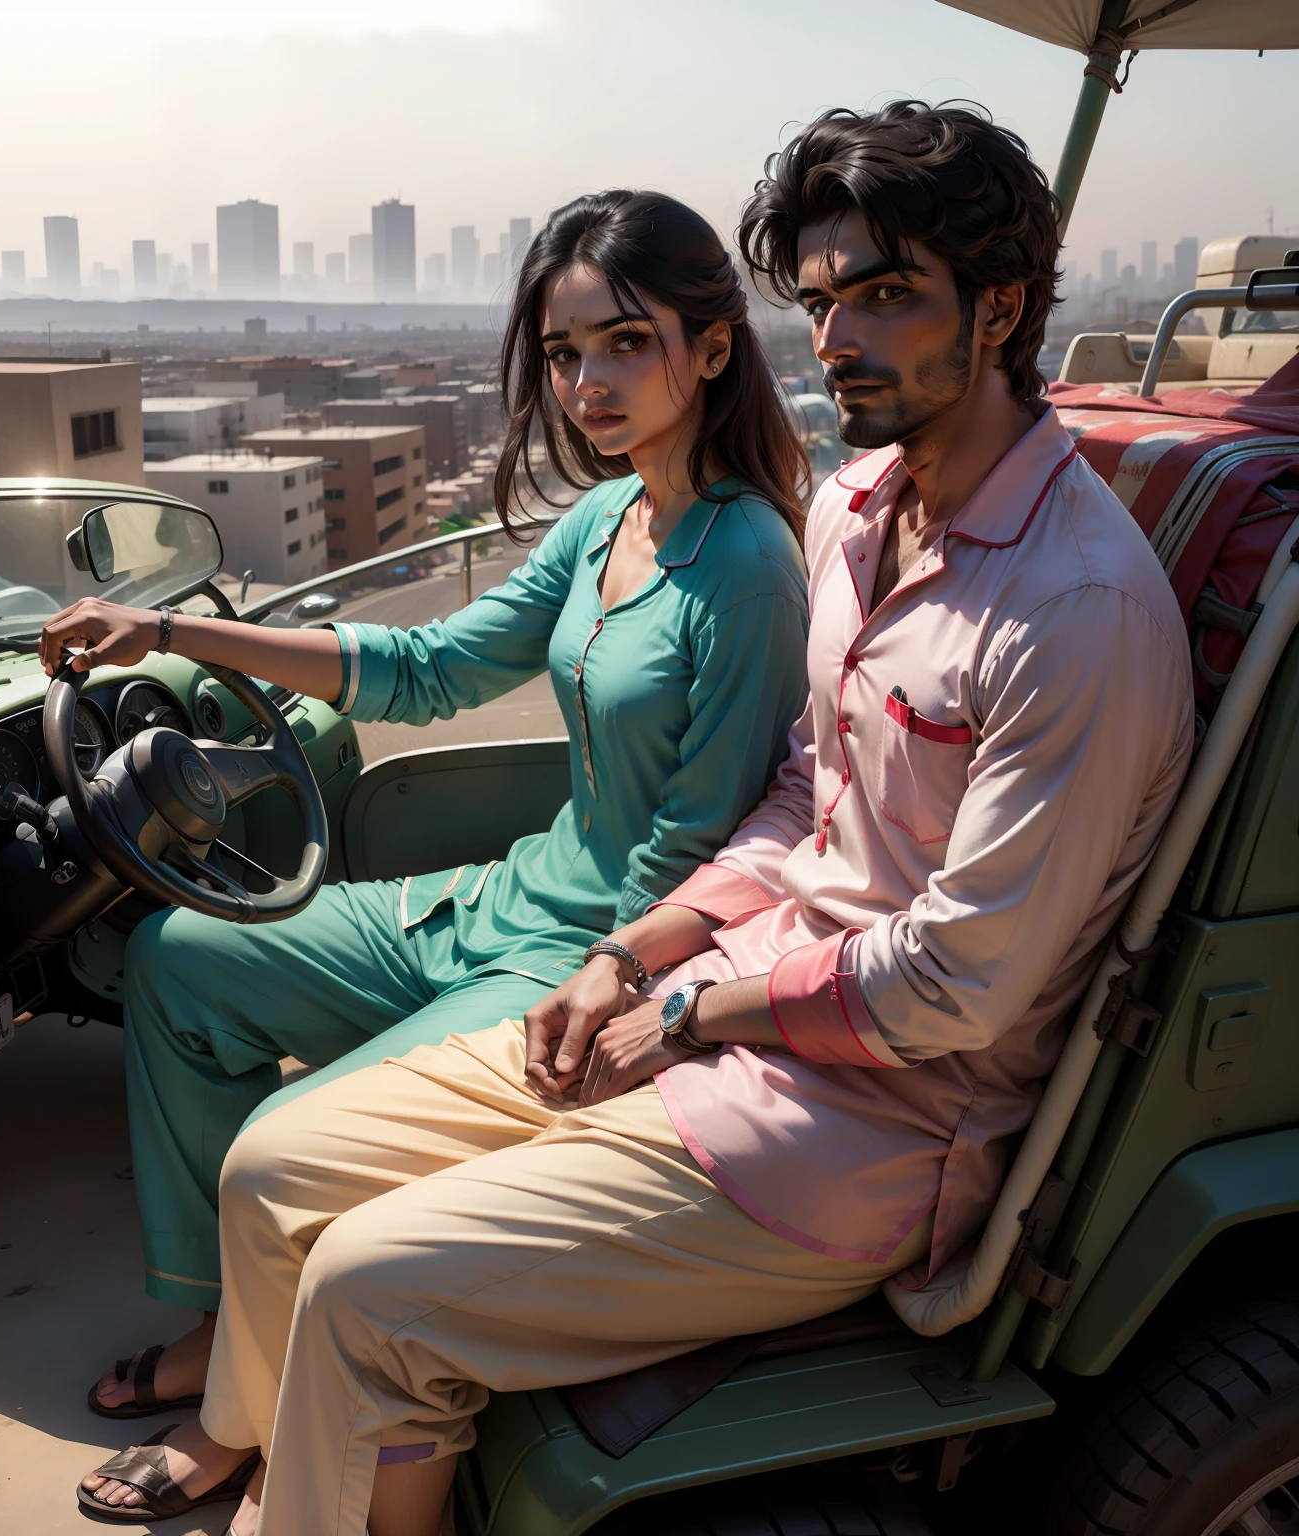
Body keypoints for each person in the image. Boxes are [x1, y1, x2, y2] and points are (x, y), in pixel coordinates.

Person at [75, 102, 1194, 1536]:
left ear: (1006, 307)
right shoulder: (859, 512)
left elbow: (959, 984)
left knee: (365, 1289)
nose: (843, 335)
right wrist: (640, 956)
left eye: (892, 294)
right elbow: (806, 793)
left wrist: (688, 1011)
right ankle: (248, 1429)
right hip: (711, 1006)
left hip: (868, 1128)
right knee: (279, 1165)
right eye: (829, 297)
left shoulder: (1071, 610)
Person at [42, 189, 812, 1435]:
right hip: (499, 900)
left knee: (289, 1140)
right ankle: (217, 1317)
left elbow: (694, 841)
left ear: (713, 347)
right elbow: (431, 666)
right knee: (179, 959)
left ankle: (241, 1422)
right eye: (565, 353)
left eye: (625, 341)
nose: (587, 383)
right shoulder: (608, 513)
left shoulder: (749, 565)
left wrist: (608, 987)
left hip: (594, 957)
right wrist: (169, 627)